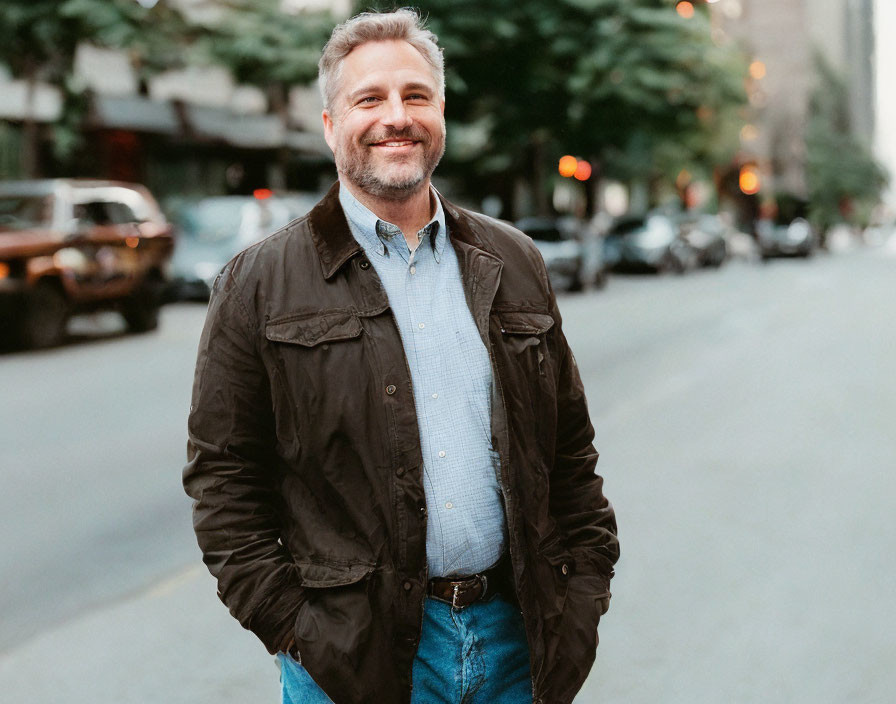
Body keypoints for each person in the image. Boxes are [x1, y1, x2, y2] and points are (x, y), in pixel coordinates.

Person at [183, 9, 618, 704]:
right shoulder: (257, 282)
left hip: (519, 648)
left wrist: (583, 600)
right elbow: (224, 483)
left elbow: (570, 452)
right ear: (331, 126)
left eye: (416, 96)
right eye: (369, 99)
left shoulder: (513, 260)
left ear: (440, 112)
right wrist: (298, 633)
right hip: (355, 662)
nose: (397, 116)